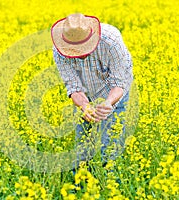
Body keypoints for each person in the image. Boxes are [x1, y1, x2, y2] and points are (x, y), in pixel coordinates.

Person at [51, 13, 133, 167]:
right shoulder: (60, 50)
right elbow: (73, 86)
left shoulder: (111, 42)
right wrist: (85, 106)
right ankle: (80, 187)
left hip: (114, 93)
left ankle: (110, 185)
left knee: (108, 149)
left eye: (82, 49)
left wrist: (108, 103)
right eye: (73, 50)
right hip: (86, 94)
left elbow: (119, 82)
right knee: (82, 149)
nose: (78, 54)